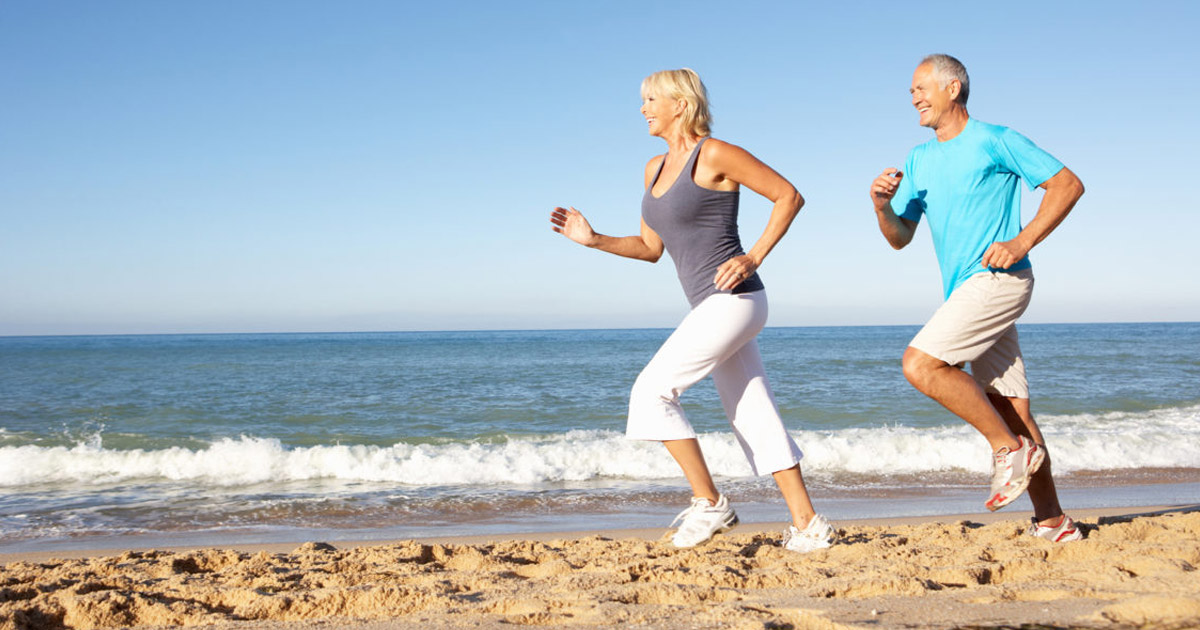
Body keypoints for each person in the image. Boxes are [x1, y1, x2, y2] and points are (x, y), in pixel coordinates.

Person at [549, 68, 833, 552]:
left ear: (680, 104)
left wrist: (752, 256)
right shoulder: (652, 169)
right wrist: (593, 239)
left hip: (736, 299)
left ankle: (710, 503)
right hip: (714, 305)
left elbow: (789, 195)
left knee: (650, 393)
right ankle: (808, 524)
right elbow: (649, 247)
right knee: (752, 412)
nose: (643, 108)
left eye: (651, 99)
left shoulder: (716, 153)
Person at [870, 54, 1086, 542]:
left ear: (953, 88)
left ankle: (1007, 450)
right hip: (965, 291)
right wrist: (882, 206)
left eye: (921, 88)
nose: (914, 98)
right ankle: (1054, 521)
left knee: (921, 365)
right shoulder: (919, 158)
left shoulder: (996, 139)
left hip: (1000, 279)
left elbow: (1067, 184)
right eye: (910, 92)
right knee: (1014, 410)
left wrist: (1022, 241)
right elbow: (900, 236)